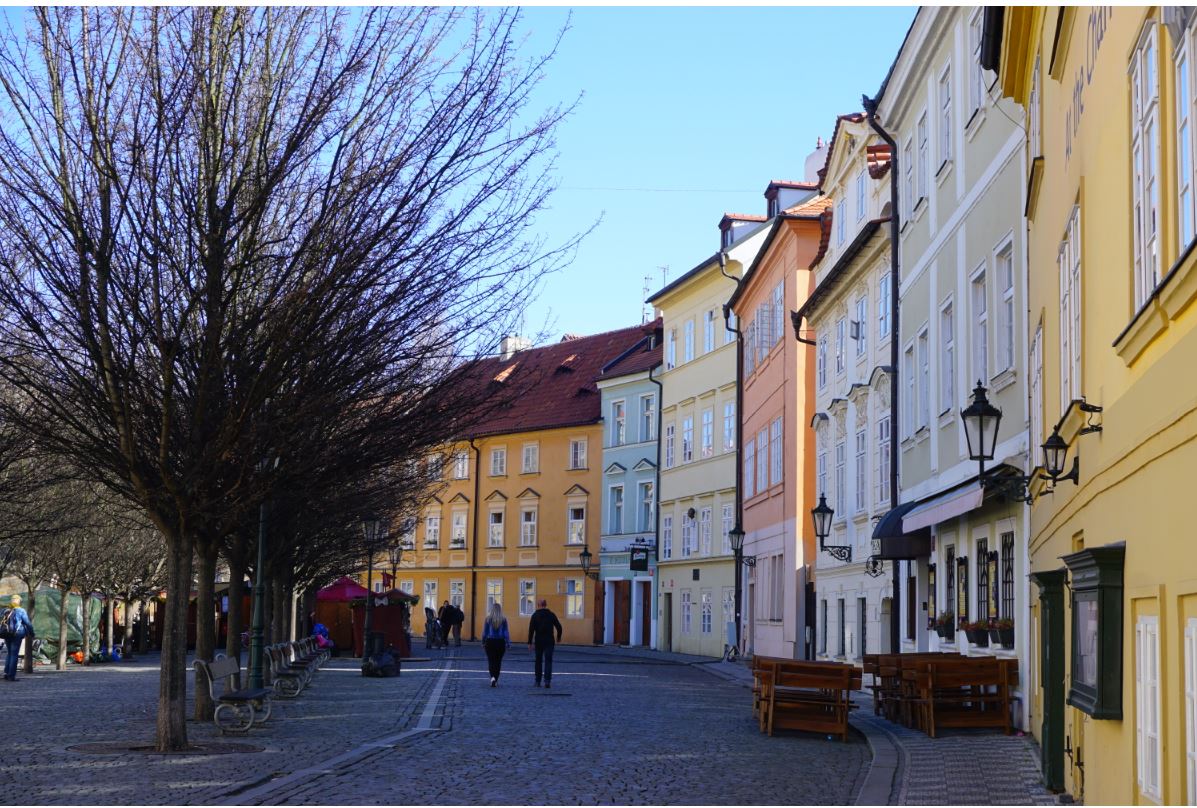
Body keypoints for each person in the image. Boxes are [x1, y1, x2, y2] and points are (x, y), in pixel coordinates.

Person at [526, 599, 563, 689]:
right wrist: (558, 637)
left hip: (538, 641)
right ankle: (547, 681)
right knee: (548, 661)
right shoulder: (551, 615)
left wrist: (530, 642)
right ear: (546, 605)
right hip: (549, 641)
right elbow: (559, 627)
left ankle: (538, 681)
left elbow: (531, 630)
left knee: (538, 661)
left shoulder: (535, 616)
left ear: (538, 605)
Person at [1, 594, 35, 681]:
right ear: (19, 602)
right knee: (14, 654)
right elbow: (27, 623)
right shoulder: (21, 610)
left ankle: (6, 673)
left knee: (9, 653)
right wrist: (32, 633)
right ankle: (11, 676)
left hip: (6, 633)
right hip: (17, 634)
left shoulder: (5, 610)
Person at [481, 602, 510, 687]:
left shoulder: (488, 619)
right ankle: (496, 679)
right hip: (500, 642)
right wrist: (508, 642)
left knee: (491, 660)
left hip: (490, 641)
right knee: (498, 661)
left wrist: (483, 642)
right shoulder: (503, 619)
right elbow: (506, 632)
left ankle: (492, 677)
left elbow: (485, 632)